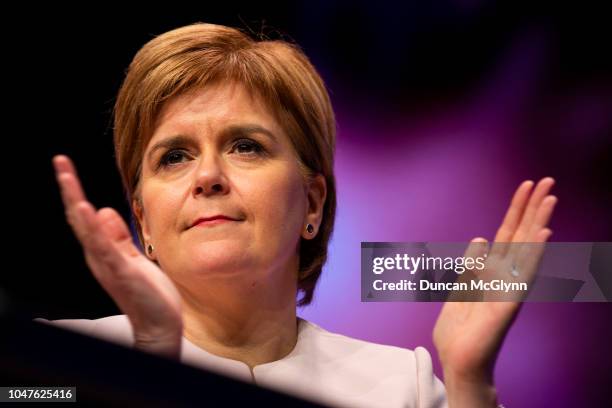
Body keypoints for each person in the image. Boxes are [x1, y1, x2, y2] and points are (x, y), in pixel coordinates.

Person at [36, 23, 557, 407]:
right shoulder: (51, 363)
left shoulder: (406, 384)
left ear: (312, 203)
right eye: (174, 156)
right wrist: (149, 359)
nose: (207, 175)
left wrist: (470, 382)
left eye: (246, 146)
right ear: (144, 221)